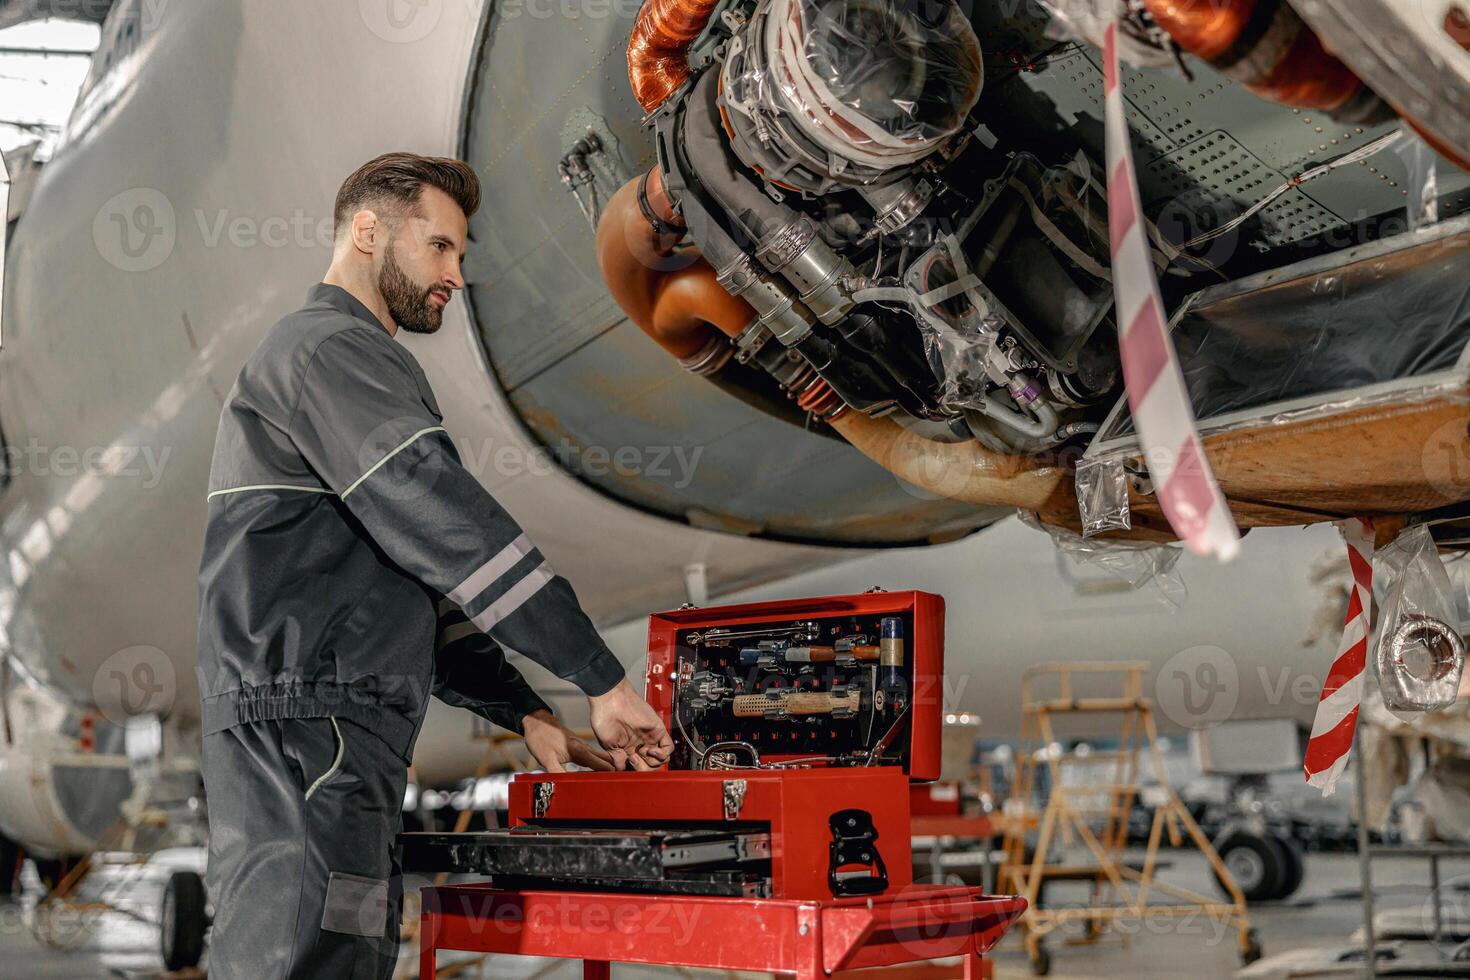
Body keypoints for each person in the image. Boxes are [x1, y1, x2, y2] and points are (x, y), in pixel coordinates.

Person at [195, 152, 673, 979]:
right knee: (306, 962)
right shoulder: (329, 353)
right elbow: (456, 531)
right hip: (313, 737)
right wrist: (600, 678)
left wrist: (527, 712)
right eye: (441, 247)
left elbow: (420, 585)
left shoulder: (345, 362)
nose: (457, 273)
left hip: (337, 737)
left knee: (339, 953)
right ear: (369, 230)